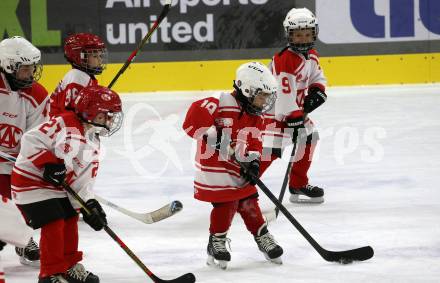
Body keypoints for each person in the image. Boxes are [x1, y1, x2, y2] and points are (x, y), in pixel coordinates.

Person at [10, 85, 123, 283]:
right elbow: (31, 140)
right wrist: (49, 164)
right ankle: (50, 274)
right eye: (106, 115)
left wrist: (89, 205)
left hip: (55, 188)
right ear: (90, 112)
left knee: (71, 217)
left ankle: (68, 266)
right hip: (30, 183)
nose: (110, 120)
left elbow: (82, 179)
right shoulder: (64, 123)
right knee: (54, 221)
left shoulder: (92, 140)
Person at [183, 62, 283, 269]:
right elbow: (191, 123)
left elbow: (255, 141)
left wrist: (254, 161)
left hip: (237, 166)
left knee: (249, 201)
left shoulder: (256, 115)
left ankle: (262, 236)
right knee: (226, 203)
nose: (265, 100)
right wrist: (212, 135)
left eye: (267, 95)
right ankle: (216, 241)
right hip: (215, 168)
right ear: (247, 89)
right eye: (262, 94)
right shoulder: (219, 102)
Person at [260, 7, 328, 203]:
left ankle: (298, 183)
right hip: (274, 113)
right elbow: (284, 93)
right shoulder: (284, 59)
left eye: (307, 34)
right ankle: (242, 187)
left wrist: (317, 90)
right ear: (289, 35)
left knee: (309, 138)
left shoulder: (312, 55)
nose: (303, 39)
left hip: (296, 111)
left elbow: (317, 76)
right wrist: (294, 119)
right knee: (270, 151)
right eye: (298, 35)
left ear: (314, 33)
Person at [0, 36, 49, 266]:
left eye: (32, 68)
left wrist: (35, 159)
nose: (31, 75)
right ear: (8, 66)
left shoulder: (37, 95)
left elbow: (37, 136)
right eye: (25, 69)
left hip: (15, 159)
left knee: (28, 194)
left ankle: (23, 236)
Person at [49, 33, 107, 117]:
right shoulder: (78, 78)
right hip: (59, 126)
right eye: (95, 56)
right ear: (79, 57)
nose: (100, 60)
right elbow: (73, 116)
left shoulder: (80, 75)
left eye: (100, 55)